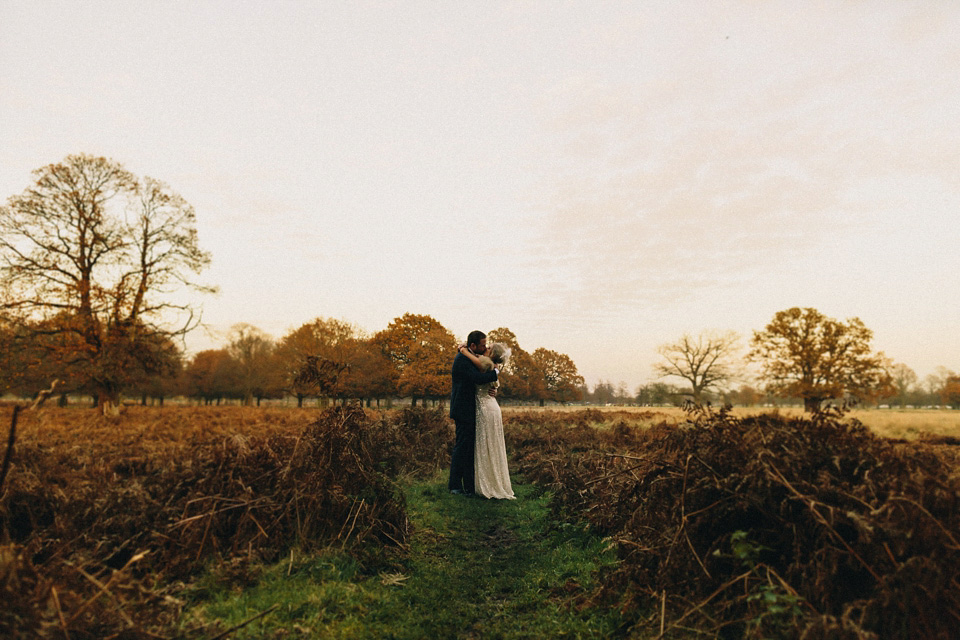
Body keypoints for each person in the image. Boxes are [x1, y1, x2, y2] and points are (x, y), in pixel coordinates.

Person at [456, 341, 515, 500]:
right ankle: (491, 479)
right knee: (490, 444)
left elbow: (474, 360)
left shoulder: (486, 365)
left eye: (488, 348)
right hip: (491, 407)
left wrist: (463, 350)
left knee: (485, 444)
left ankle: (486, 482)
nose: (485, 348)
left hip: (485, 409)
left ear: (492, 354)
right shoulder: (492, 366)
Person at [448, 330, 499, 495]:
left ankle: (469, 485)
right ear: (473, 345)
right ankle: (455, 485)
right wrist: (496, 373)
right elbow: (478, 378)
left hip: (472, 409)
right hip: (463, 409)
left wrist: (493, 388)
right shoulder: (462, 359)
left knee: (469, 448)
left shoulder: (471, 357)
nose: (485, 347)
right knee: (462, 447)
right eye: (483, 345)